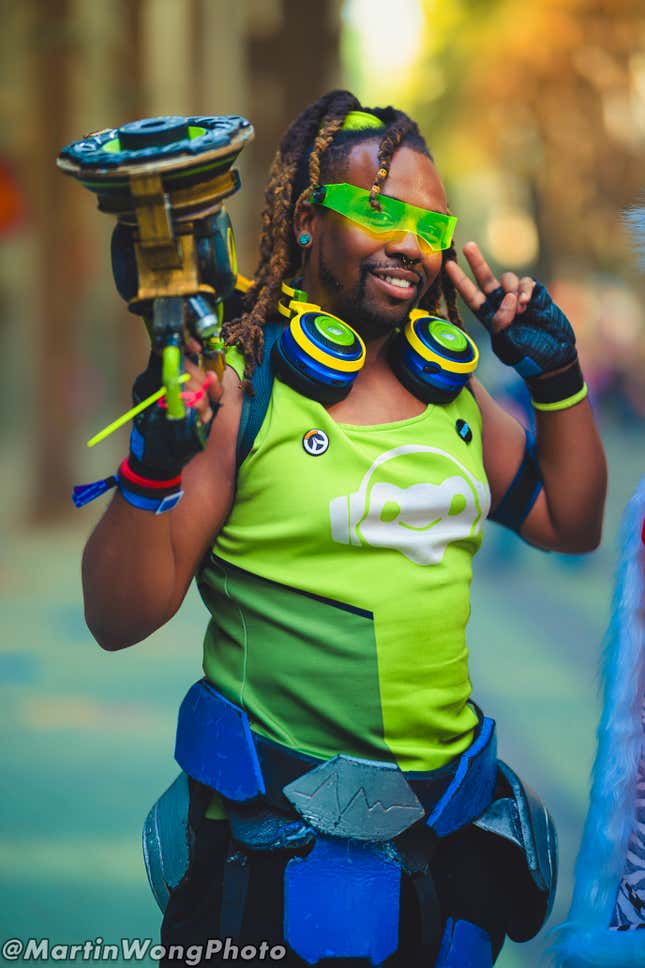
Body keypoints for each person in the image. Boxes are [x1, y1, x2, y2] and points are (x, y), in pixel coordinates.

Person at [82, 90, 607, 967]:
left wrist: (556, 380)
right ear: (303, 223)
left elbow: (570, 522)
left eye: (432, 225)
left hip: (443, 852)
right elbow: (118, 617)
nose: (408, 241)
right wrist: (148, 469)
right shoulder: (242, 393)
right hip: (271, 865)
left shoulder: (455, 399)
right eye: (376, 208)